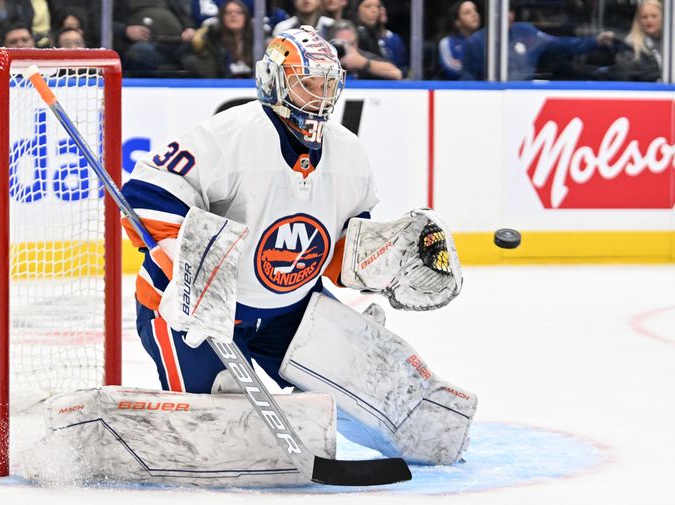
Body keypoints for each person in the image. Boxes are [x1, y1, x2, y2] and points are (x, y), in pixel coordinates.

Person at [120, 25, 473, 470]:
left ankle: (423, 436)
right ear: (275, 82)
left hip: (292, 309)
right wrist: (180, 265)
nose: (320, 94)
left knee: (373, 382)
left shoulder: (349, 153)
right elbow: (147, 196)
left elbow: (339, 250)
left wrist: (388, 267)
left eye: (328, 83)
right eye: (308, 82)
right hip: (195, 314)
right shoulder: (233, 133)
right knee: (225, 434)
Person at [461, 7, 615, 80]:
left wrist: (594, 41)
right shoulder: (475, 42)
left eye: (510, 11)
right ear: (491, 12)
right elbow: (468, 79)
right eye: (501, 10)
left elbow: (560, 44)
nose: (506, 15)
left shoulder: (526, 32)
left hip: (527, 96)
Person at [115, 0, 196, 75]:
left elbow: (183, 16)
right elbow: (104, 22)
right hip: (145, 43)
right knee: (141, 54)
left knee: (202, 51)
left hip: (178, 41)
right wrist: (125, 30)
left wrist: (189, 28)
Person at [182, 0, 254, 78]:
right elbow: (210, 72)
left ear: (246, 16)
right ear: (222, 17)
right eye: (228, 12)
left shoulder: (256, 42)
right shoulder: (212, 43)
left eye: (238, 12)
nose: (233, 15)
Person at [328, 19, 402, 79]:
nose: (348, 49)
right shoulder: (323, 58)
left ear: (357, 41)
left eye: (351, 44)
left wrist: (363, 63)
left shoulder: (362, 57)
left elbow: (396, 73)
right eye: (342, 44)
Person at [609, 0, 662, 82]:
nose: (649, 20)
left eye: (654, 16)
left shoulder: (670, 43)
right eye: (644, 17)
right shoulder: (630, 45)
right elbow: (625, 75)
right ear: (638, 21)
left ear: (664, 18)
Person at [352, 0, 406, 74]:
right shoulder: (352, 35)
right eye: (368, 6)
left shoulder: (386, 38)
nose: (374, 10)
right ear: (356, 10)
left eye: (377, 7)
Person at [437, 0, 480, 80]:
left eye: (475, 10)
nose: (474, 14)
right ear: (457, 22)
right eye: (467, 12)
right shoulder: (447, 42)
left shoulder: (486, 41)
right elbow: (451, 69)